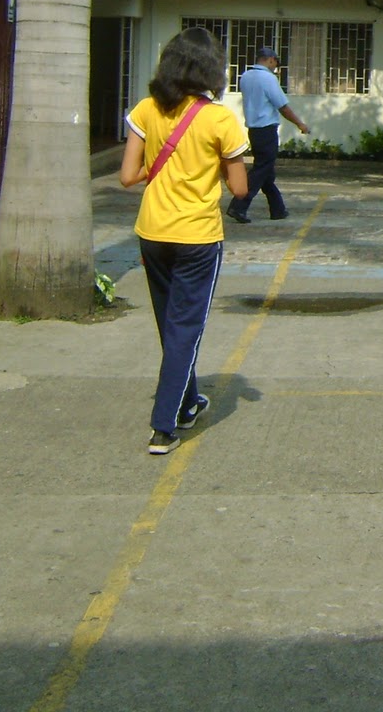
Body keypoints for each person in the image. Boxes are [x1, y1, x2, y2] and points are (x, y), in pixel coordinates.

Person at [120, 29, 250, 455]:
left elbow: (127, 177)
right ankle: (164, 426)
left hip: (152, 232)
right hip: (197, 236)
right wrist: (209, 168)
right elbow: (241, 188)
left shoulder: (146, 110)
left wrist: (163, 171)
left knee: (170, 326)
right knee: (186, 329)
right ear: (213, 69)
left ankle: (190, 401)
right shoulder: (220, 119)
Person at [226, 45, 309, 224]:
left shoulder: (246, 76)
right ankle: (238, 206)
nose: (275, 66)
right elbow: (283, 106)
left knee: (266, 173)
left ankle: (278, 209)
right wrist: (300, 123)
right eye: (275, 62)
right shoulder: (268, 78)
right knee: (261, 170)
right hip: (267, 129)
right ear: (270, 59)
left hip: (254, 130)